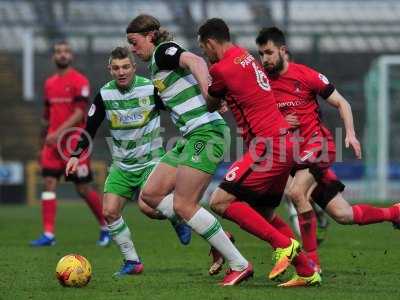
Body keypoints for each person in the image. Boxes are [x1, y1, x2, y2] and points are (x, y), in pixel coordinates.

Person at [255, 26, 400, 270]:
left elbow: (341, 102)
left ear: (283, 51)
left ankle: (312, 264)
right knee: (344, 215)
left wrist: (351, 134)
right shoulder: (263, 83)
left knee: (296, 193)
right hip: (295, 158)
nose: (265, 59)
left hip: (318, 146)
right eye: (261, 54)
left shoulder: (306, 75)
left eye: (269, 53)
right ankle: (394, 213)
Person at [126, 14, 253, 286]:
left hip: (206, 133)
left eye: (134, 43)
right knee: (150, 195)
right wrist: (213, 97)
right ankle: (216, 236)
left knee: (184, 204)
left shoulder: (163, 51)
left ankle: (239, 263)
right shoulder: (155, 68)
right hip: (190, 136)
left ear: (150, 36)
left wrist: (210, 92)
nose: (133, 50)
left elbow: (195, 60)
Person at [197, 18, 321, 287]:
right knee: (264, 214)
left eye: (204, 50)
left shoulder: (221, 68)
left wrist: (208, 76)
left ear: (209, 44)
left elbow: (210, 102)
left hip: (268, 146)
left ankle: (283, 246)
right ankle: (307, 270)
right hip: (283, 142)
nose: (205, 54)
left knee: (219, 201)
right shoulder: (244, 55)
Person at [65, 46, 192, 277]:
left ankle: (177, 218)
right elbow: (89, 128)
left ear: (134, 67)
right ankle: (132, 262)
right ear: (110, 70)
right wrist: (75, 155)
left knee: (147, 207)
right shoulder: (105, 94)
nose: (121, 72)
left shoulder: (150, 88)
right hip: (122, 166)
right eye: (116, 68)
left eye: (125, 67)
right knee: (110, 211)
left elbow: (176, 107)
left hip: (151, 163)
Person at [30, 40, 109, 247]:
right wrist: (42, 144)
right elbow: (46, 117)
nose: (62, 54)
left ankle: (105, 226)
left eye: (65, 51)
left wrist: (57, 132)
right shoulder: (49, 83)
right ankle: (48, 234)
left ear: (71, 55)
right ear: (53, 56)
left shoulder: (80, 81)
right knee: (48, 184)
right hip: (52, 144)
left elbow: (79, 113)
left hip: (73, 144)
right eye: (58, 51)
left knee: (83, 188)